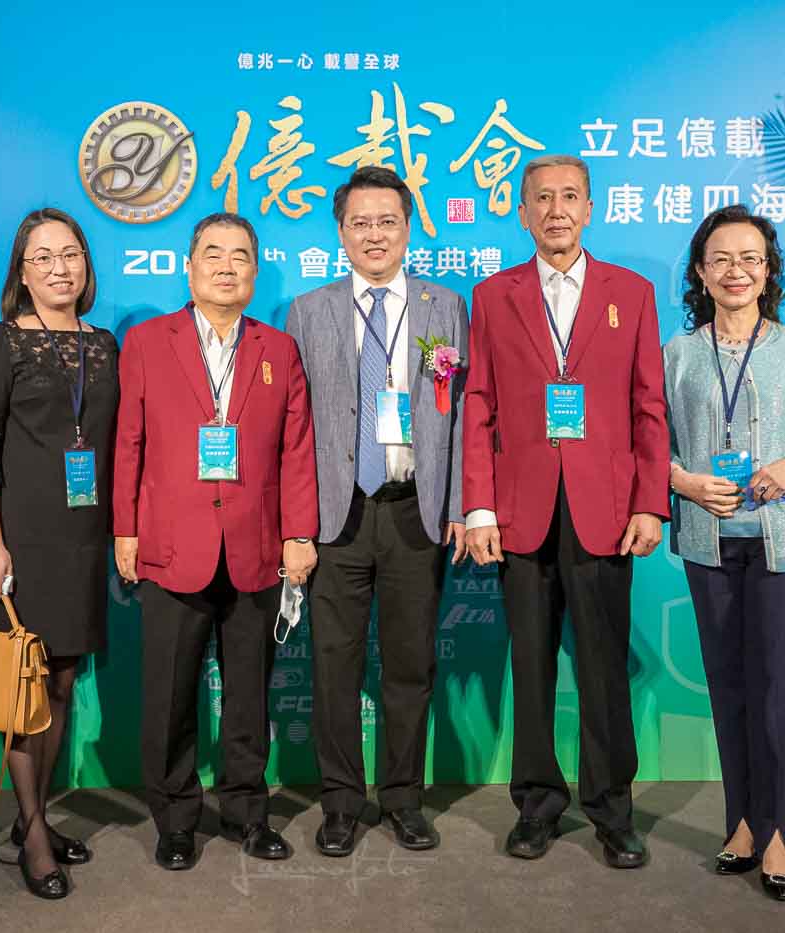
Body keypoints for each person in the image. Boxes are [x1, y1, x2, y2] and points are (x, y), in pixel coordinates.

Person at [462, 154, 669, 868]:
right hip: (521, 511)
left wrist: (650, 503)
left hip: (605, 511)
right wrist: (480, 508)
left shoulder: (631, 293)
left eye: (570, 197)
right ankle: (536, 805)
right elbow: (479, 403)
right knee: (531, 666)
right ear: (522, 213)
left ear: (590, 209)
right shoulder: (494, 296)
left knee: (604, 669)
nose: (556, 210)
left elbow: (648, 405)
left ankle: (612, 810)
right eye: (542, 198)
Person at [112, 212, 318, 871]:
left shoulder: (277, 349)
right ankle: (175, 819)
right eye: (213, 254)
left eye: (240, 256)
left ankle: (247, 813)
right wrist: (125, 529)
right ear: (189, 266)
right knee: (169, 694)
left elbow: (296, 449)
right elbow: (128, 441)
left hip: (256, 548)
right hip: (173, 545)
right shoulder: (148, 342)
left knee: (249, 695)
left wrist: (299, 534)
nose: (226, 267)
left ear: (255, 271)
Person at [663, 205, 785, 901]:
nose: (735, 270)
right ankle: (741, 822)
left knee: (776, 690)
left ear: (769, 271)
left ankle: (780, 836)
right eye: (721, 259)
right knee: (728, 687)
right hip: (708, 540)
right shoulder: (678, 354)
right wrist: (684, 482)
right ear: (700, 273)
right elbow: (651, 443)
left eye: (750, 258)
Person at [285, 166, 468, 856]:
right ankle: (340, 803)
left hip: (415, 510)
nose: (374, 234)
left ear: (408, 228)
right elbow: (295, 426)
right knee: (333, 666)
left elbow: (461, 414)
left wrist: (459, 506)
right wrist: (297, 524)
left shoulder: (444, 306)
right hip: (338, 515)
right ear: (340, 233)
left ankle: (403, 799)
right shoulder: (310, 310)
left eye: (387, 221)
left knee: (410, 665)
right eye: (359, 222)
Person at [0, 207, 120, 899]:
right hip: (23, 539)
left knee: (61, 683)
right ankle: (32, 840)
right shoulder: (3, 340)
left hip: (83, 538)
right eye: (44, 257)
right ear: (22, 273)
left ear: (86, 264)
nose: (61, 268)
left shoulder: (105, 344)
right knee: (25, 689)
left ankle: (34, 817)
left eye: (71, 254)